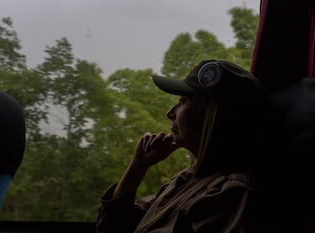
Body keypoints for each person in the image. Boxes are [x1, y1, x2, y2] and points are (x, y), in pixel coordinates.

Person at [96, 60, 276, 233]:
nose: (170, 113)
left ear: (211, 116)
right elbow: (114, 228)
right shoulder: (186, 179)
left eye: (183, 101)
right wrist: (137, 167)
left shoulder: (232, 194)